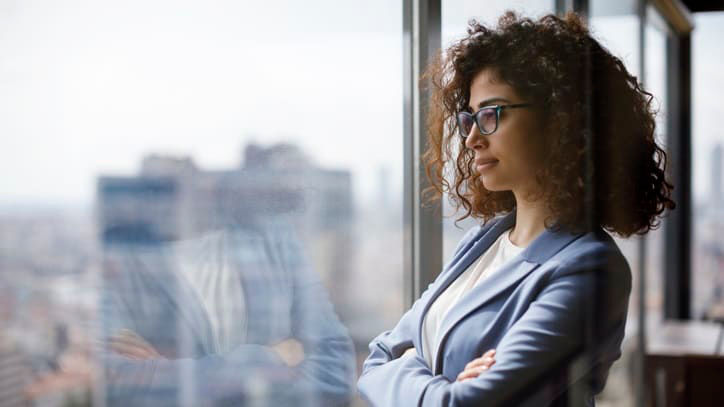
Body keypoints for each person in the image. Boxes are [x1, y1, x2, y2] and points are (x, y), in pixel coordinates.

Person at [357, 11, 674, 407]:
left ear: (561, 118)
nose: (471, 138)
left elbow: (467, 402)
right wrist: (442, 385)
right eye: (469, 118)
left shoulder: (592, 269)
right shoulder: (481, 243)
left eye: (491, 114)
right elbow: (376, 360)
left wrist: (411, 367)